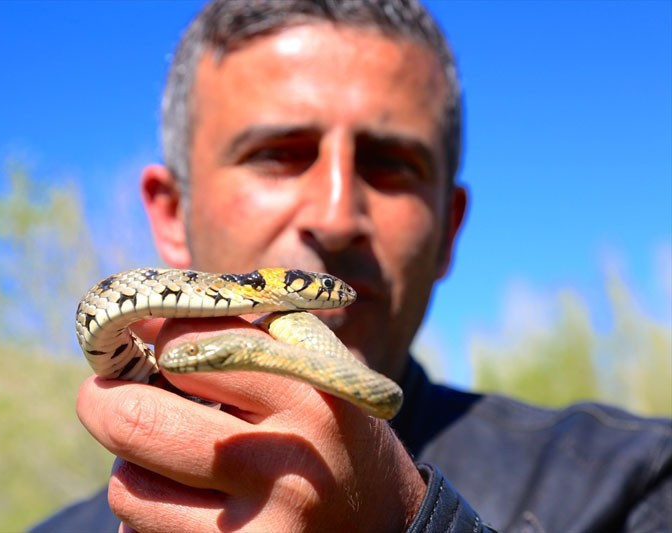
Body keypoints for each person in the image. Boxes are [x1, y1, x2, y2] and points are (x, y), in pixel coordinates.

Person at [33, 1, 671, 531]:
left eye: (391, 165)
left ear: (449, 229)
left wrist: (407, 521)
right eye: (278, 154)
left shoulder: (640, 482)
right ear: (172, 214)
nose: (338, 215)